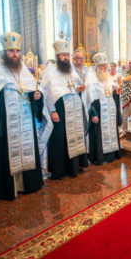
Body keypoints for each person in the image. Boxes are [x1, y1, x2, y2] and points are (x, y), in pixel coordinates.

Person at [0, 32, 53, 200]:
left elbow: (33, 93)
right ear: (4, 52)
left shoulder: (24, 72)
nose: (15, 55)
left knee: (26, 151)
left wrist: (36, 97)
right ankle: (8, 189)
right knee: (6, 155)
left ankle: (28, 184)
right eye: (11, 51)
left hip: (25, 124)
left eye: (17, 51)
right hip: (5, 125)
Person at [41, 40, 88, 180]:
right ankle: (60, 170)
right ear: (57, 56)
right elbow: (47, 93)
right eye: (63, 55)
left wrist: (79, 89)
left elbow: (74, 86)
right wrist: (52, 111)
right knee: (60, 140)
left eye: (68, 55)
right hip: (60, 112)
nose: (66, 58)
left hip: (73, 109)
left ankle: (74, 167)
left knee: (75, 137)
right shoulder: (50, 71)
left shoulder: (71, 70)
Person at [85, 52, 123, 165]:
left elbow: (113, 91)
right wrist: (93, 113)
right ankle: (100, 157)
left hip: (109, 111)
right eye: (102, 66)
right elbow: (89, 99)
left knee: (111, 132)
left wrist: (117, 91)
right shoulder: (91, 80)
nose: (105, 68)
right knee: (99, 134)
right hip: (99, 111)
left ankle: (112, 154)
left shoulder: (107, 78)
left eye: (106, 65)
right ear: (97, 67)